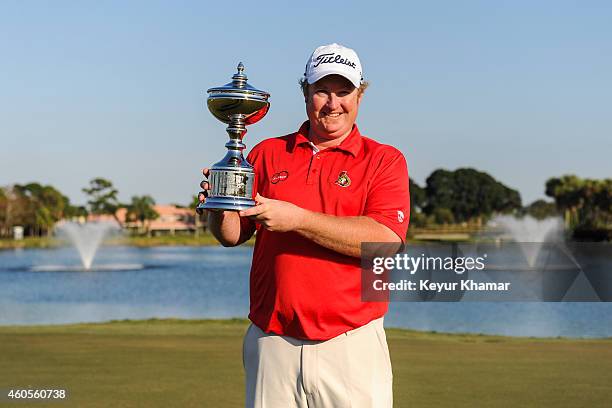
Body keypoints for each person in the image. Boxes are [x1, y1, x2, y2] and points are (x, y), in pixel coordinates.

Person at [198, 43, 410, 408]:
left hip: (351, 343)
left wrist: (296, 219)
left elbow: (385, 241)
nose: (333, 103)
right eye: (322, 91)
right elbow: (232, 236)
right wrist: (219, 205)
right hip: (272, 341)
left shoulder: (384, 160)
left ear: (360, 94)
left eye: (344, 91)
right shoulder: (267, 153)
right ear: (305, 92)